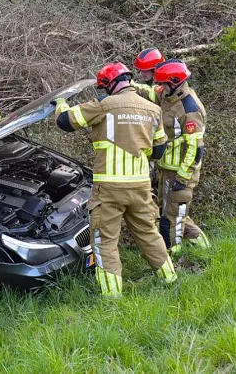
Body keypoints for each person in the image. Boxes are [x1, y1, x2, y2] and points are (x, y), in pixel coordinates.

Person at [53, 62, 177, 298]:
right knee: (149, 233)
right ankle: (170, 279)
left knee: (105, 241)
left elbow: (66, 122)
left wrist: (60, 104)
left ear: (110, 85)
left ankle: (112, 299)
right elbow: (159, 151)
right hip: (141, 186)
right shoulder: (153, 109)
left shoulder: (103, 106)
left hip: (109, 189)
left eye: (104, 87)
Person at [153, 59, 211, 253]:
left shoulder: (189, 109)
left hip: (180, 173)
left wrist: (182, 178)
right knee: (174, 212)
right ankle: (203, 246)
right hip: (167, 168)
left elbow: (195, 150)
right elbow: (150, 92)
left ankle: (174, 254)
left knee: (172, 218)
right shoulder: (169, 96)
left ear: (175, 81)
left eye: (163, 83)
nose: (160, 87)